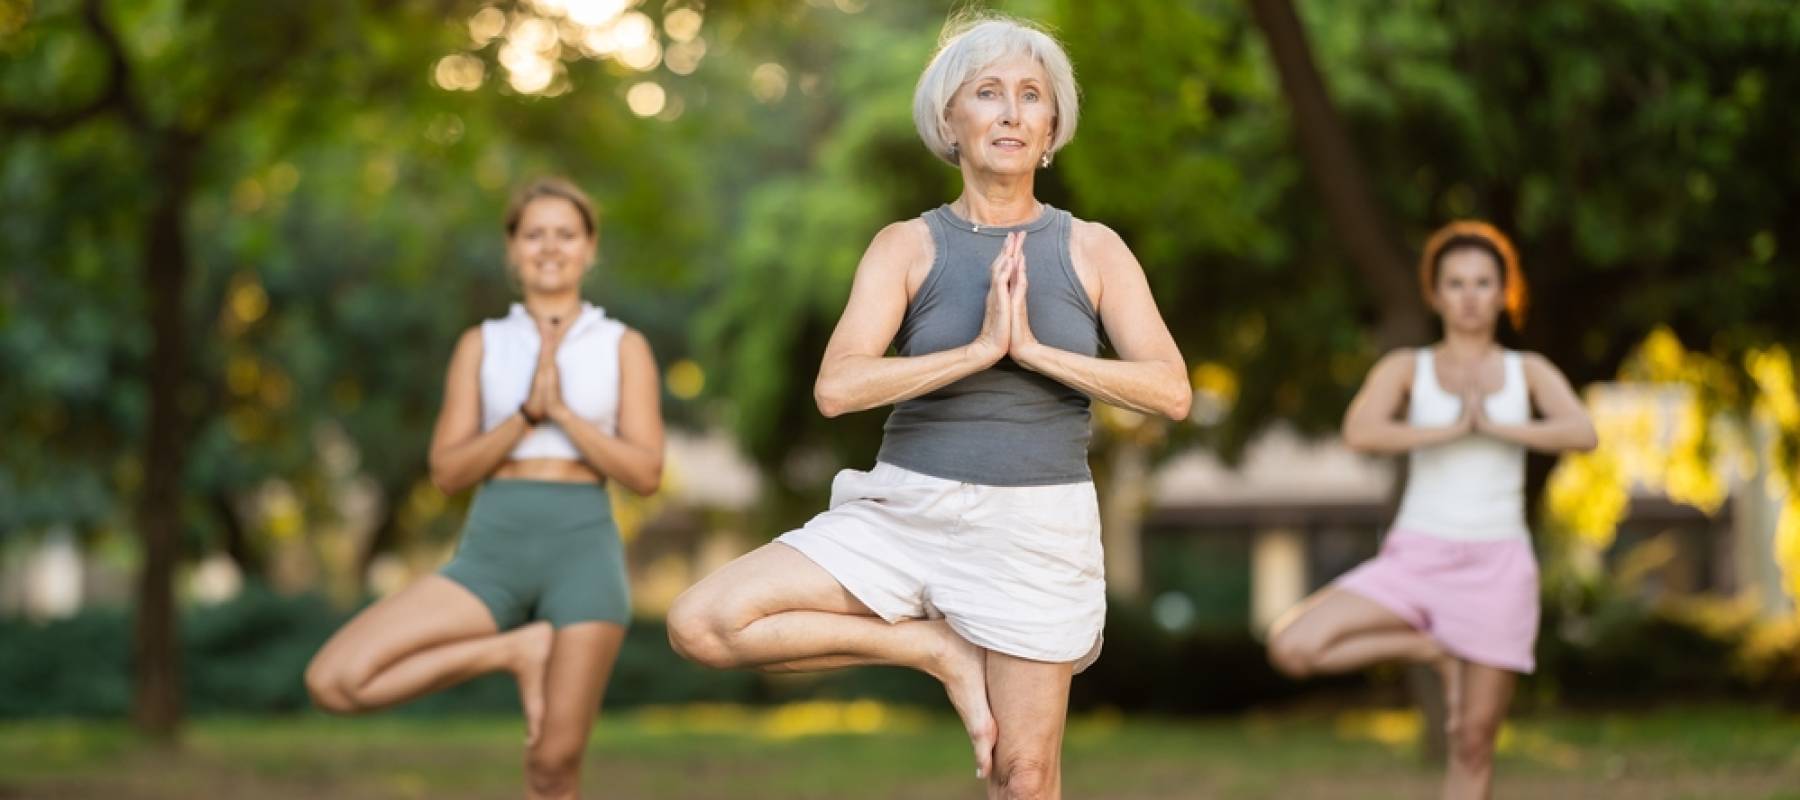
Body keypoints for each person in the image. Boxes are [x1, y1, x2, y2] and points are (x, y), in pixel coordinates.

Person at [665, 14, 1189, 799]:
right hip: (905, 510)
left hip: (1035, 528)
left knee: (1024, 778)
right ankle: (934, 651)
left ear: (1051, 126)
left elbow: (1171, 389)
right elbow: (838, 386)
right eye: (987, 93)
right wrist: (976, 351)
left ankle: (946, 655)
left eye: (1030, 96)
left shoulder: (1094, 249)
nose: (1010, 112)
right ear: (951, 121)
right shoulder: (905, 247)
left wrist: (1036, 352)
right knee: (703, 622)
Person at [305, 177, 664, 800]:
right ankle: (511, 652)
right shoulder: (482, 344)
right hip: (493, 549)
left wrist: (566, 417)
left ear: (589, 248)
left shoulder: (621, 345)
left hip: (583, 554)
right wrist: (525, 415)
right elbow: (448, 472)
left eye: (565, 234)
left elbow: (645, 473)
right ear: (512, 250)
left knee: (553, 768)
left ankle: (524, 663)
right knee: (335, 680)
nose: (549, 247)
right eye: (534, 235)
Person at [1267, 220, 1597, 800]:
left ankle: (1444, 649)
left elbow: (1582, 432)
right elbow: (1361, 430)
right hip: (1416, 557)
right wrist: (1446, 430)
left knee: (1471, 745)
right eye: (1456, 283)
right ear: (1436, 293)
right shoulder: (1407, 368)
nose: (1469, 296)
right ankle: (1430, 645)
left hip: (1499, 567)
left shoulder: (1530, 373)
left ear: (1504, 292)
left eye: (1482, 283)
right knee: (1293, 646)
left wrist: (1497, 425)